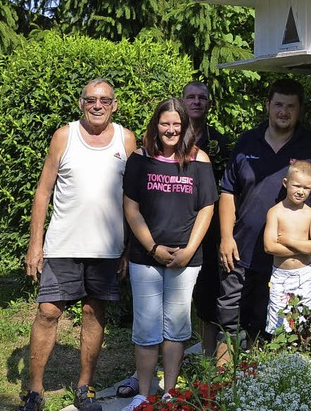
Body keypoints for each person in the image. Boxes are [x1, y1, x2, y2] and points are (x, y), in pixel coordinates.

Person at [19, 79, 136, 411]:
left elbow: (133, 197)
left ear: (114, 105)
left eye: (104, 100)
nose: (97, 105)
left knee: (93, 313)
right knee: (47, 313)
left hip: (106, 249)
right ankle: (35, 390)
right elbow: (43, 191)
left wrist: (128, 249)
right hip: (62, 246)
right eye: (90, 100)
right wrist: (35, 244)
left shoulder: (126, 140)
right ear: (81, 103)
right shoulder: (64, 136)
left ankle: (85, 388)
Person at [122, 98, 217, 411]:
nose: (171, 130)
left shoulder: (198, 159)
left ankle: (169, 394)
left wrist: (189, 250)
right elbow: (131, 206)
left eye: (177, 124)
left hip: (185, 260)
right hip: (145, 256)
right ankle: (144, 395)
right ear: (156, 124)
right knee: (146, 328)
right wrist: (152, 247)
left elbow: (207, 207)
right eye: (165, 123)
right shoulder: (140, 158)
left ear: (184, 126)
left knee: (176, 327)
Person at [217, 78, 311, 363]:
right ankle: (223, 385)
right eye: (278, 105)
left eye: (290, 106)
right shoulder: (247, 141)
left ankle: (266, 381)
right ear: (268, 106)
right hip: (241, 250)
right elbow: (227, 191)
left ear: (299, 111)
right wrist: (226, 237)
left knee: (276, 324)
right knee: (229, 317)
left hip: (287, 259)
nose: (283, 112)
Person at [184, 81, 229, 357]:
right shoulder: (169, 137)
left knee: (208, 290)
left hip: (210, 228)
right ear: (182, 101)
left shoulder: (221, 143)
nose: (197, 102)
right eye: (191, 97)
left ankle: (209, 356)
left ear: (209, 104)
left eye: (202, 98)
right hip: (176, 225)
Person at [263, 160, 311, 333]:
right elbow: (269, 247)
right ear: (285, 183)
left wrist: (289, 241)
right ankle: (280, 358)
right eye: (296, 186)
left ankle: (304, 355)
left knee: (307, 320)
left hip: (304, 274)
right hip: (281, 275)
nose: (300, 191)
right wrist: (304, 246)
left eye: (306, 188)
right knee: (278, 320)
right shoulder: (276, 212)